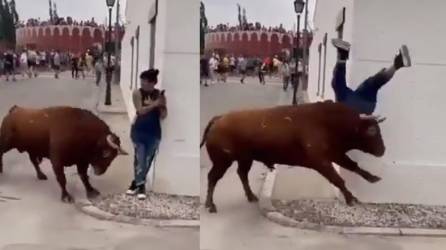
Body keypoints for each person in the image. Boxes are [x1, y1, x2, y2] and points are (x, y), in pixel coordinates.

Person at [331, 38, 411, 115]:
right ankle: (343, 54)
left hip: (366, 104)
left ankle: (398, 63)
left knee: (372, 83)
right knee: (338, 87)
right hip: (354, 107)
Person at [126, 69, 167, 200]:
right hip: (138, 131)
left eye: (145, 82)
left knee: (147, 161)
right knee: (139, 159)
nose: (142, 84)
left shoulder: (159, 95)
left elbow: (164, 116)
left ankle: (135, 183)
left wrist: (161, 106)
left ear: (153, 83)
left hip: (154, 133)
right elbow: (140, 111)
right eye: (141, 81)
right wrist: (155, 104)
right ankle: (141, 187)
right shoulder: (137, 93)